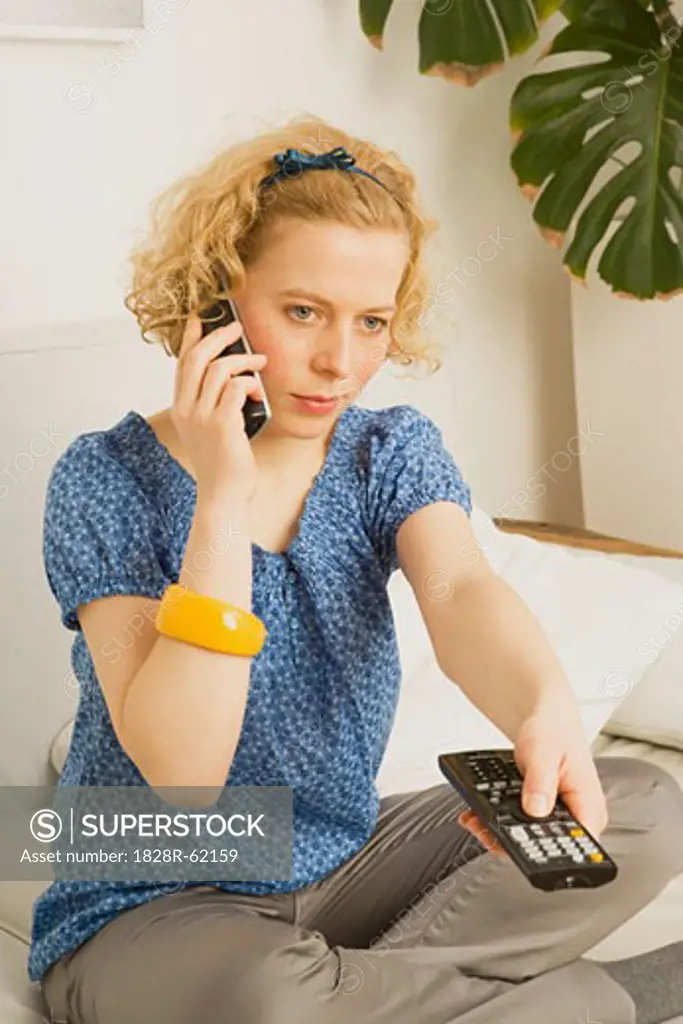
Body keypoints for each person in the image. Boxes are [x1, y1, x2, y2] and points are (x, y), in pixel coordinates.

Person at [33, 115, 683, 1024]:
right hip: (150, 898)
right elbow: (185, 774)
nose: (340, 362)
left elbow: (460, 589)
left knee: (645, 808)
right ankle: (559, 1001)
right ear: (212, 302)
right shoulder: (106, 479)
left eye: (370, 321)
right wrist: (223, 496)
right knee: (263, 996)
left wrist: (543, 708)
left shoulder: (386, 451)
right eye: (303, 312)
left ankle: (356, 996)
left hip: (342, 859)